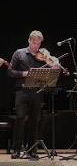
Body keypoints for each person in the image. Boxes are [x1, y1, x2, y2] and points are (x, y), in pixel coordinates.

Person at [7, 30, 60, 159]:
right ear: (29, 41)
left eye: (38, 43)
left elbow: (49, 72)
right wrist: (24, 74)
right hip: (22, 91)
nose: (36, 46)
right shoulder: (19, 53)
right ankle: (17, 149)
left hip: (37, 91)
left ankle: (32, 150)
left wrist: (54, 66)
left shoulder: (43, 55)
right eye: (34, 43)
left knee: (35, 122)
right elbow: (10, 72)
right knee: (20, 119)